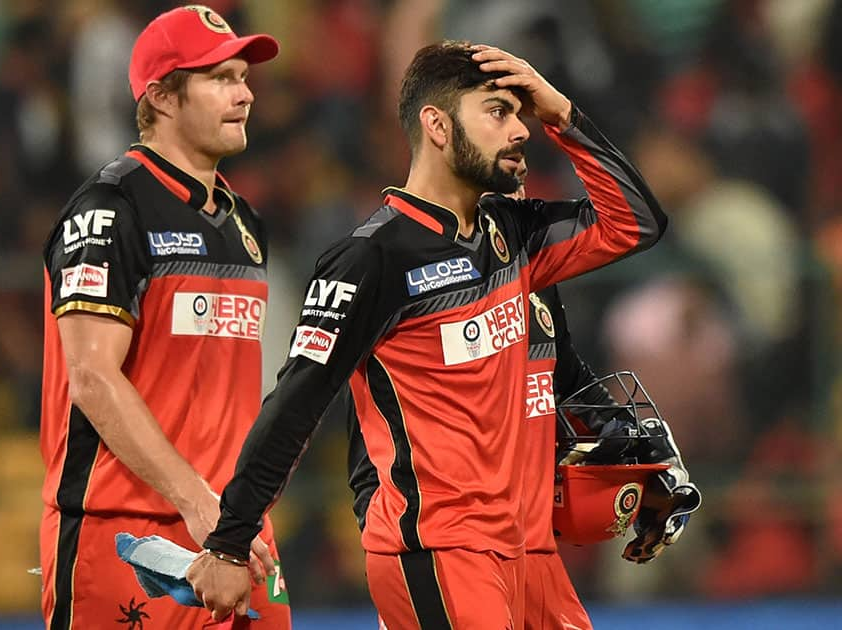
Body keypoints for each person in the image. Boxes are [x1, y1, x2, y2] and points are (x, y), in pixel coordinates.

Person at [188, 40, 667, 627]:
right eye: (497, 111)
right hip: (441, 550)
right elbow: (297, 405)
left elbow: (636, 225)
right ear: (437, 126)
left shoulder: (514, 236)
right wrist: (229, 543)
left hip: (529, 551)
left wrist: (562, 116)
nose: (520, 129)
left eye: (521, 114)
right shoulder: (371, 258)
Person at [344, 162, 699, 629]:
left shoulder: (533, 279)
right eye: (506, 186)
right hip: (444, 548)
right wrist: (407, 556)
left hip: (530, 551)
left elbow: (567, 377)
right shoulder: (409, 276)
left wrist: (632, 447)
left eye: (523, 184)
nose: (523, 198)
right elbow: (368, 434)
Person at [38, 6, 290, 629]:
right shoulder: (110, 207)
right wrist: (197, 502)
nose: (245, 94)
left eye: (244, 76)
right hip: (127, 538)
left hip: (240, 537)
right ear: (162, 98)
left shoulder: (243, 223)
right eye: (221, 78)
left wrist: (235, 514)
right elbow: (92, 377)